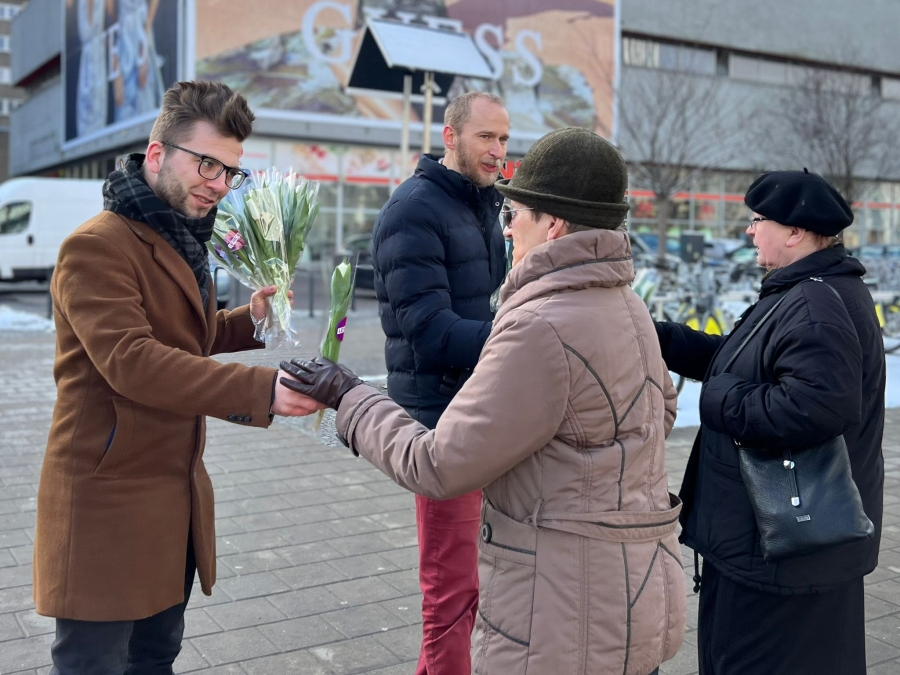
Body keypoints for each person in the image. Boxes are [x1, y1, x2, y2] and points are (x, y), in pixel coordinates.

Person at [282, 127, 685, 675]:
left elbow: (437, 465)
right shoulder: (628, 306)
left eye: (516, 214)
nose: (509, 228)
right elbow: (659, 414)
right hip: (633, 596)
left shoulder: (541, 326)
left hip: (563, 618)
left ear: (553, 225)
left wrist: (348, 395)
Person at [35, 80, 317, 674]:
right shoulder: (95, 247)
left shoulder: (182, 237)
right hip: (108, 504)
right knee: (94, 665)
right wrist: (262, 390)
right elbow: (132, 360)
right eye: (207, 163)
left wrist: (249, 319)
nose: (220, 183)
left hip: (174, 501)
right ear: (157, 153)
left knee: (156, 658)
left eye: (230, 171)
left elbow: (187, 336)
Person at [654, 170, 885, 674]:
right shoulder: (809, 289)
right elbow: (749, 361)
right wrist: (666, 340)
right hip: (786, 549)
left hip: (779, 555)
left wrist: (718, 397)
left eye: (759, 220)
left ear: (795, 232)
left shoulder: (815, 302)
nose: (750, 230)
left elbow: (816, 405)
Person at [369, 91, 508, 672]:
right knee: (451, 590)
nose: (498, 151)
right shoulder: (413, 210)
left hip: (482, 404)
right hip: (441, 420)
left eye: (504, 139)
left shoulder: (485, 205)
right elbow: (428, 329)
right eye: (486, 137)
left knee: (477, 584)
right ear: (450, 137)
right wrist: (516, 342)